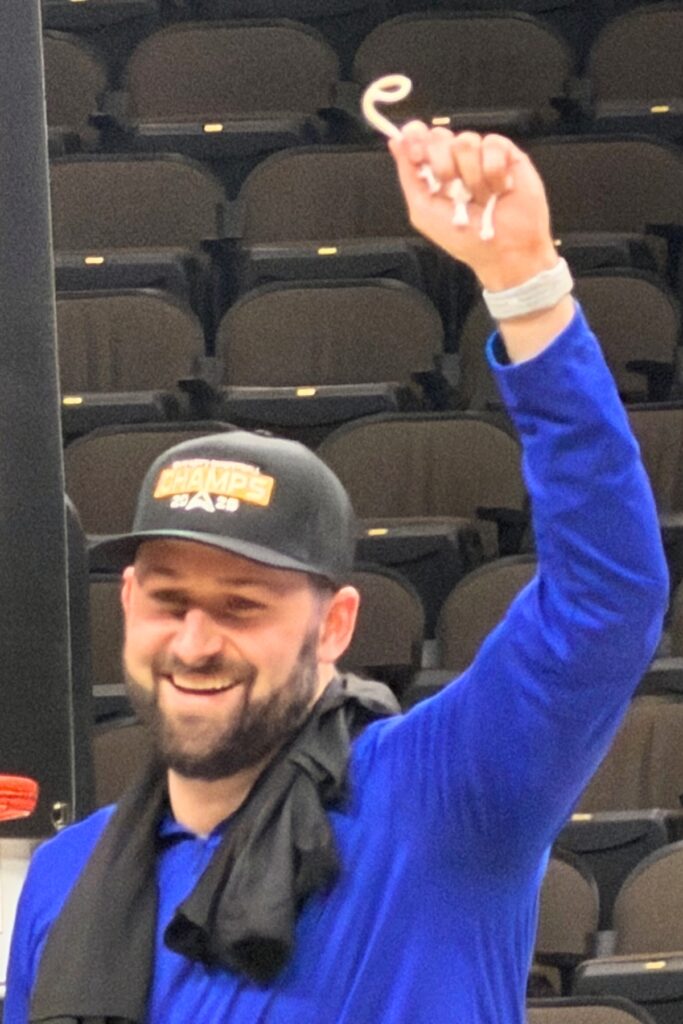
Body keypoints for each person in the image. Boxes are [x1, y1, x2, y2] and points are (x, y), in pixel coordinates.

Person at [4, 127, 668, 1024]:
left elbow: (606, 598)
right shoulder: (64, 876)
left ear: (336, 623)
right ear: (127, 603)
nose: (195, 643)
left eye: (242, 607)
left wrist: (527, 286)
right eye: (169, 601)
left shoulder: (445, 796)